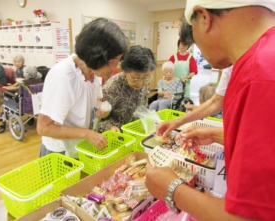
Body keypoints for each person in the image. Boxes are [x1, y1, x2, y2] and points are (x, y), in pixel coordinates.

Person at [145, 1, 275, 220]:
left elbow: (249, 217)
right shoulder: (255, 60)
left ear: (203, 17)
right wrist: (218, 135)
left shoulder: (260, 74)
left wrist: (172, 189)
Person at [36, 18, 129, 158]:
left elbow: (91, 100)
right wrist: (87, 133)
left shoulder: (94, 72)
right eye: (111, 62)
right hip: (59, 152)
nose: (114, 68)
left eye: (118, 61)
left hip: (79, 147)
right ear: (95, 57)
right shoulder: (63, 76)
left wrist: (100, 107)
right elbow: (44, 127)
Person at [98, 45, 156, 133]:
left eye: (145, 78)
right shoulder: (111, 88)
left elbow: (143, 109)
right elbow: (96, 121)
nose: (140, 83)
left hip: (135, 134)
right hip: (117, 138)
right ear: (124, 71)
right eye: (135, 78)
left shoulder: (144, 84)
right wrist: (110, 127)